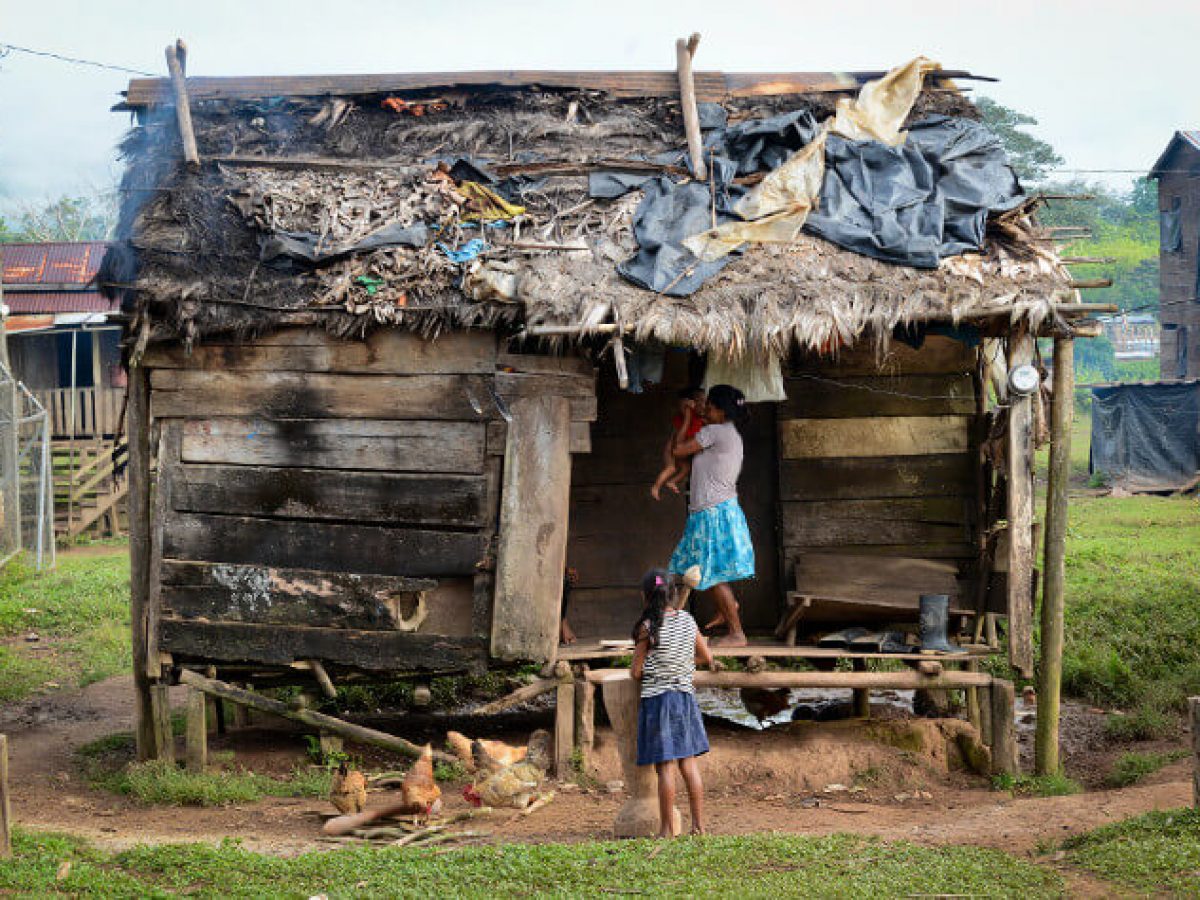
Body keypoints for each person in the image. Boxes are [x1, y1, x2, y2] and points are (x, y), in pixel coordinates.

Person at [667, 384, 755, 647]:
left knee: (710, 575)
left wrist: (684, 420)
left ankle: (736, 633)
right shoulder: (727, 433)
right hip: (713, 512)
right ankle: (727, 607)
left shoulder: (714, 432)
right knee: (691, 571)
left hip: (712, 514)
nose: (704, 410)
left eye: (709, 406)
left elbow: (677, 450)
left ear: (719, 410)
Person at [631, 568, 714, 837]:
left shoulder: (647, 627)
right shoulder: (688, 621)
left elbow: (635, 672)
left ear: (645, 596)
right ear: (673, 593)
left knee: (665, 766)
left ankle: (667, 830)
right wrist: (682, 664)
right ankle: (699, 827)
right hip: (684, 698)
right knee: (688, 764)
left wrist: (653, 669)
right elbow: (705, 657)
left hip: (659, 701)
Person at [651, 387, 707, 501]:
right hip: (673, 450)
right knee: (671, 468)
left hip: (684, 451)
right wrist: (687, 409)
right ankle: (656, 487)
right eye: (700, 401)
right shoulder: (685, 416)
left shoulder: (700, 419)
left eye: (705, 401)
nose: (704, 405)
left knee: (686, 468)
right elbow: (677, 443)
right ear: (691, 403)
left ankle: (672, 481)